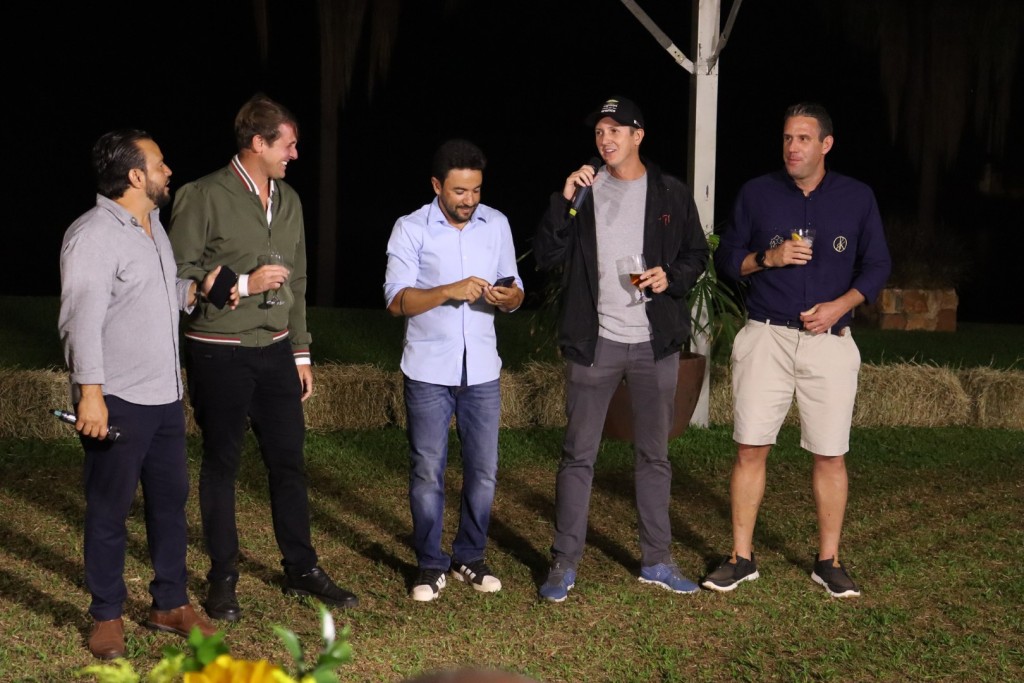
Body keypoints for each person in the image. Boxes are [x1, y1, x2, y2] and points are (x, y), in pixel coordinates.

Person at [168, 93, 358, 620]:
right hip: (219, 352)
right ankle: (223, 578)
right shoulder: (201, 195)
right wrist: (244, 284)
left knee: (289, 463)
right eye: (288, 145)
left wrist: (301, 350)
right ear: (258, 142)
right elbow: (177, 274)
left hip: (275, 351)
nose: (294, 154)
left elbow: (297, 280)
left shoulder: (289, 200)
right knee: (222, 464)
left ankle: (301, 568)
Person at [704, 102, 891, 598]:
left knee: (830, 454)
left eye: (803, 139)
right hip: (766, 336)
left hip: (829, 342)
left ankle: (828, 561)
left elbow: (877, 265)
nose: (792, 147)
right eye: (788, 138)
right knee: (750, 447)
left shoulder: (857, 197)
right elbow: (727, 259)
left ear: (826, 144)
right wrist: (769, 257)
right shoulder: (757, 193)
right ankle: (740, 558)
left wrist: (839, 307)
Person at [532, 96, 709, 602]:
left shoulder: (670, 192)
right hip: (596, 342)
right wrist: (565, 199)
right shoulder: (584, 192)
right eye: (599, 131)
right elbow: (547, 254)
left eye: (615, 130)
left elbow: (696, 254)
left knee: (654, 456)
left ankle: (657, 560)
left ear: (638, 136)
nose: (605, 139)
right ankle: (564, 563)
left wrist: (669, 276)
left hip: (654, 344)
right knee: (577, 456)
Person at [59, 129, 226, 659]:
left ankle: (169, 603)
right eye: (159, 163)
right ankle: (107, 614)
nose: (168, 170)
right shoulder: (92, 236)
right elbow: (79, 321)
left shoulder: (154, 227)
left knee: (170, 505)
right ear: (135, 176)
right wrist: (90, 394)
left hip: (165, 398)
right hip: (119, 399)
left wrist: (196, 289)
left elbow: (160, 295)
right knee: (108, 511)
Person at [383, 139, 524, 602]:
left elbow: (515, 288)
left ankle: (470, 555)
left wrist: (510, 298)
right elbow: (396, 300)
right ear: (437, 185)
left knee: (483, 470)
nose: (469, 200)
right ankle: (430, 563)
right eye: (460, 191)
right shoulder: (410, 228)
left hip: (482, 369)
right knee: (428, 470)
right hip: (427, 369)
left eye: (476, 190)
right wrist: (448, 290)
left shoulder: (496, 224)